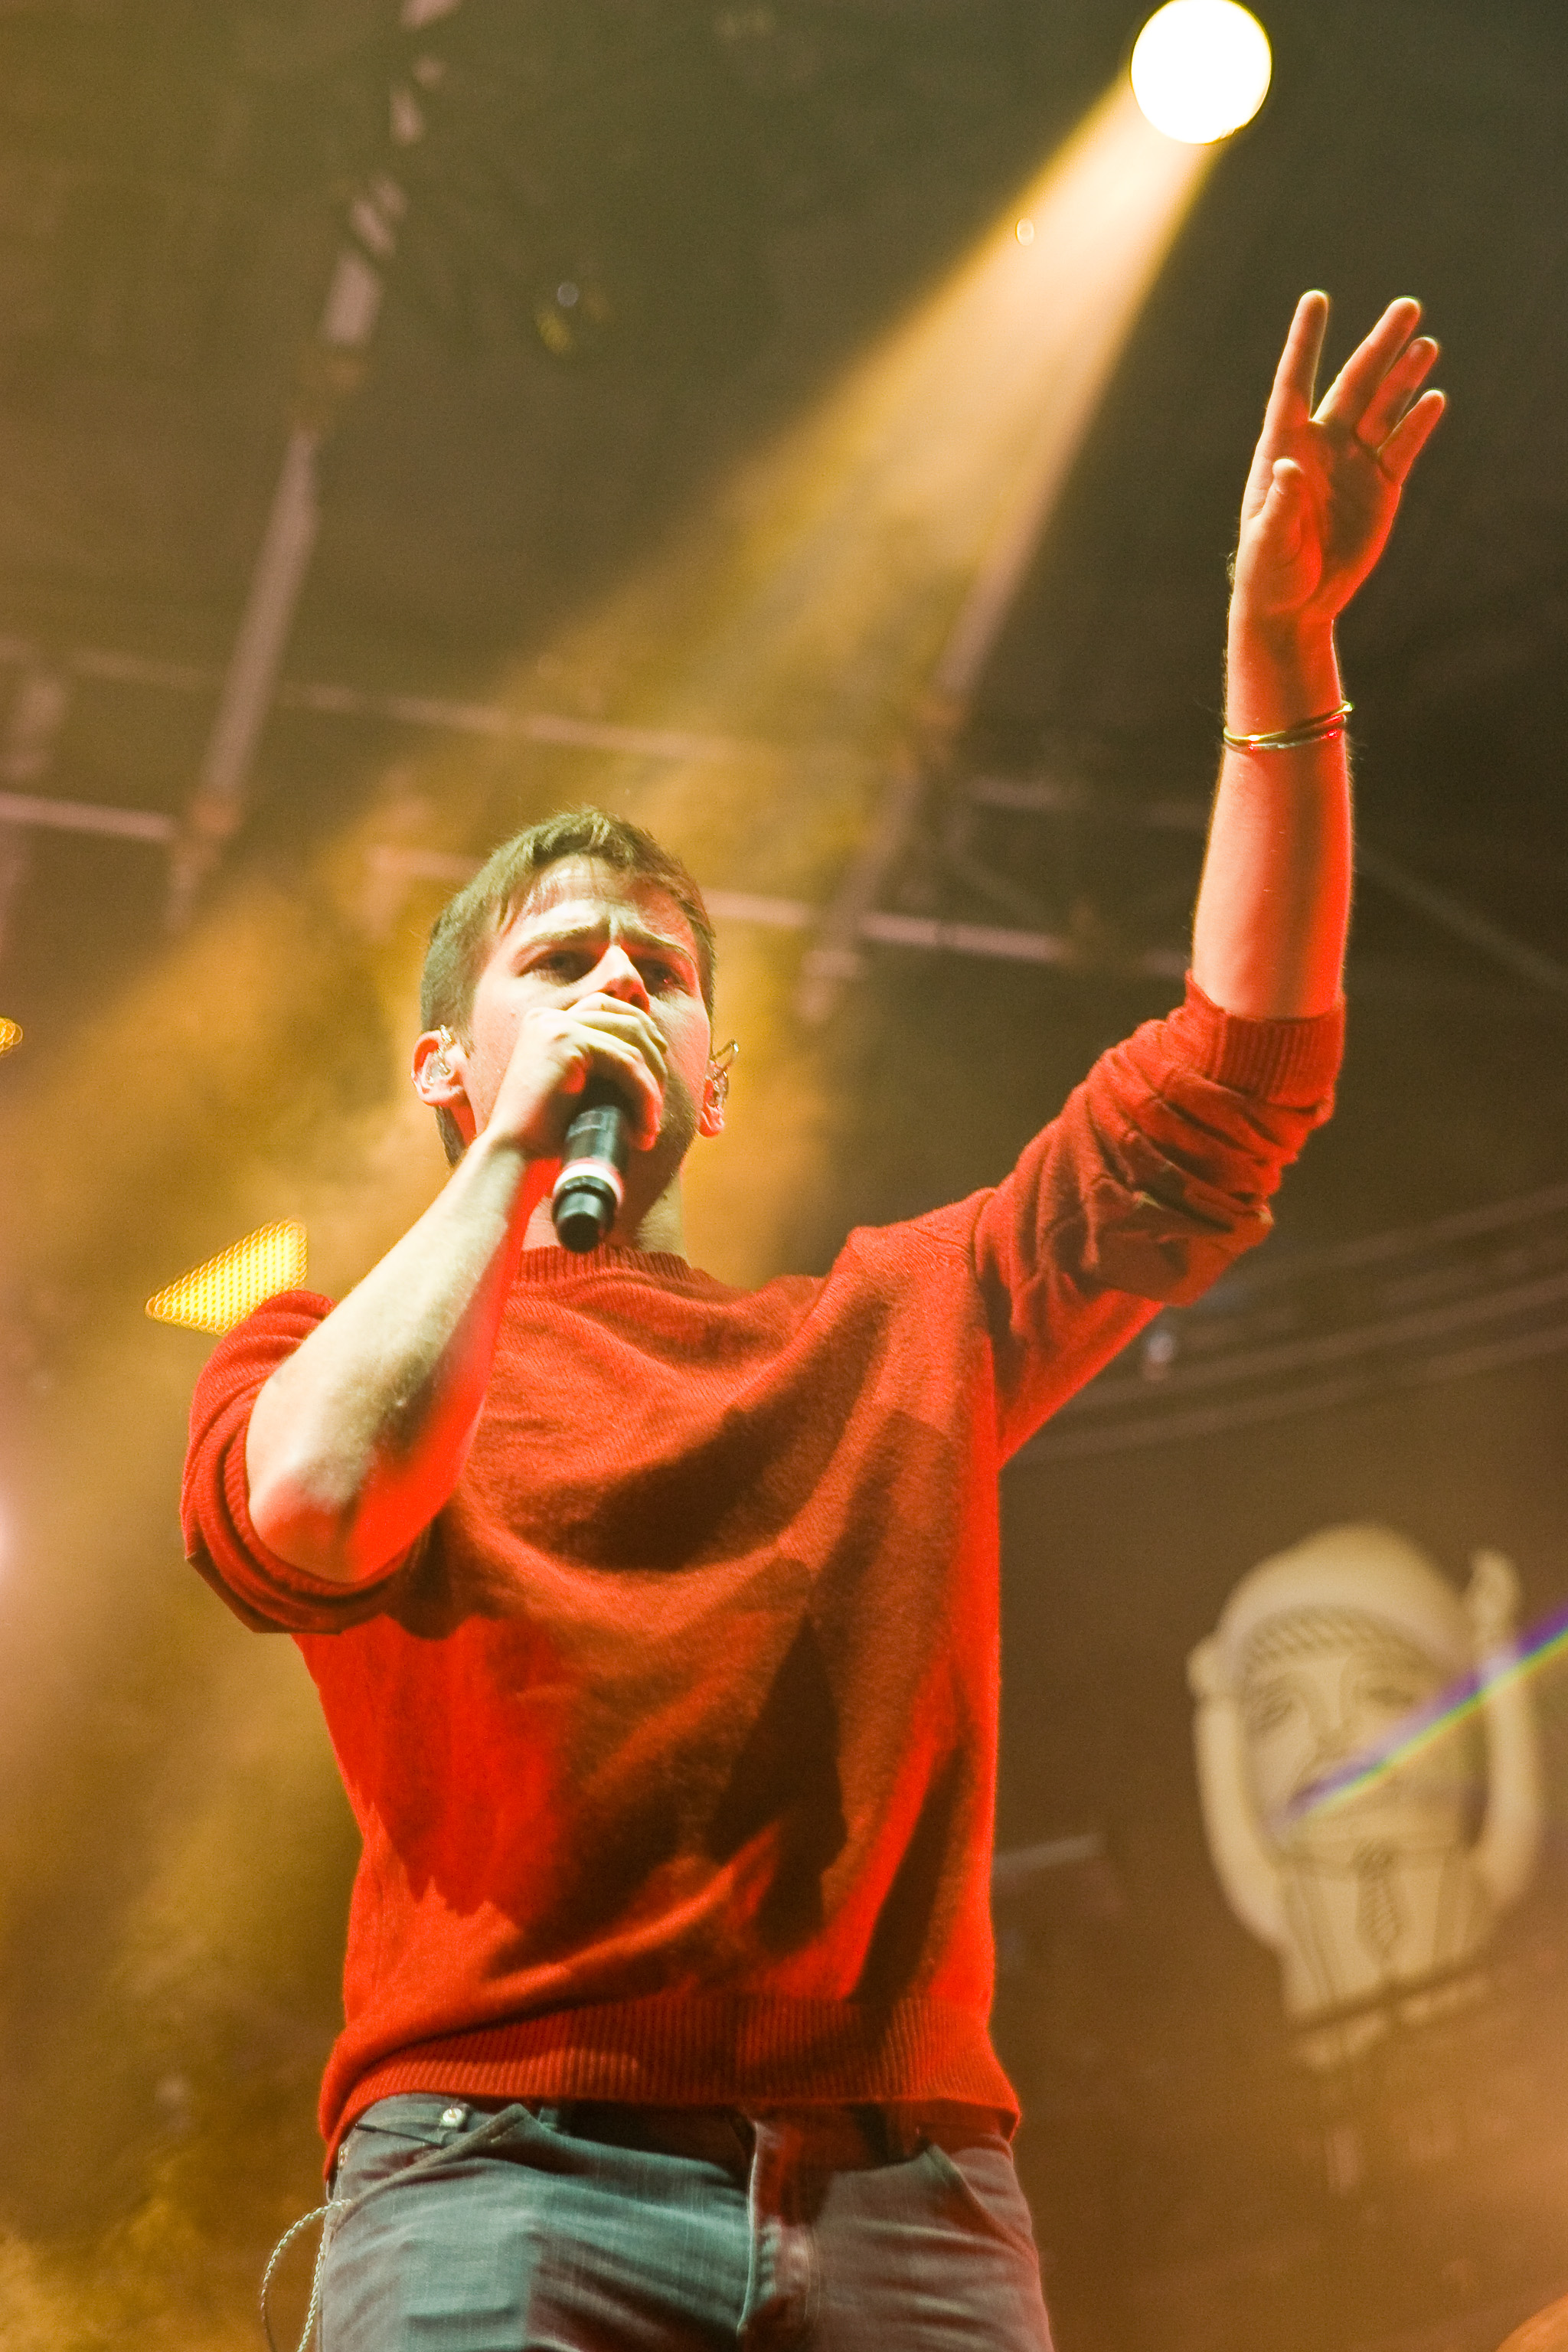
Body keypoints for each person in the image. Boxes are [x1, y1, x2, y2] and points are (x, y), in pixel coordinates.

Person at [182, 292, 1442, 2349]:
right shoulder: (311, 1345)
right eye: (560, 963)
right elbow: (313, 1508)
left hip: (905, 2197)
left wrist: (1282, 660)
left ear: (718, 1077)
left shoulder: (899, 1320)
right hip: (496, 2176)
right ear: (441, 1072)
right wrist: (513, 1161)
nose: (618, 983)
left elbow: (1239, 1083)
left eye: (661, 972)